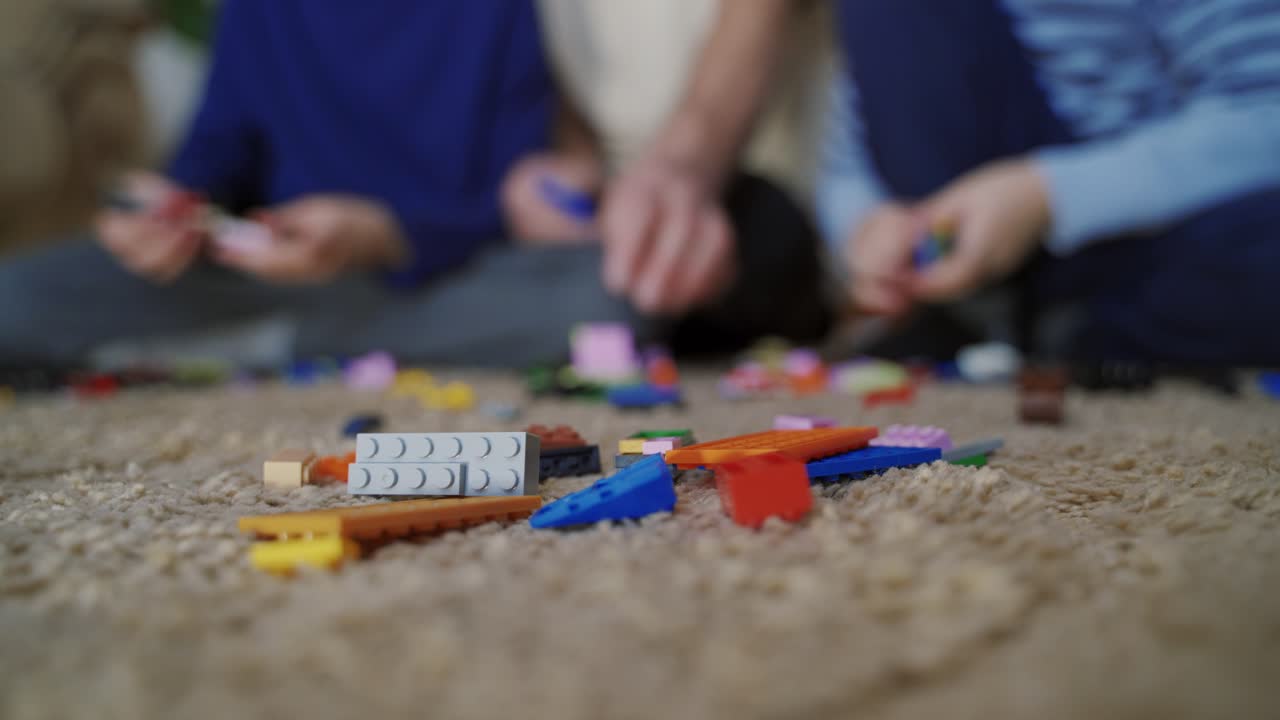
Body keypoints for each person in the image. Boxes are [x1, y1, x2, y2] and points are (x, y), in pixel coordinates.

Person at [0, 1, 826, 370]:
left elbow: (500, 200)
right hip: (269, 272)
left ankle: (294, 339)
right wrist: (166, 209)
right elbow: (216, 152)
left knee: (613, 295)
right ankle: (293, 335)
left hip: (439, 273)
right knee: (20, 299)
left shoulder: (502, 11)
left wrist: (383, 234)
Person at [818, 0, 1280, 364]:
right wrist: (869, 226)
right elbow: (849, 162)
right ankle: (1005, 324)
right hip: (949, 250)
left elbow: (1265, 115)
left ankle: (1058, 330)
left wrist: (1045, 195)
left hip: (1152, 233)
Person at [500, 0, 833, 353]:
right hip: (623, 205)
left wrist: (682, 167)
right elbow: (572, 82)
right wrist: (573, 168)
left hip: (762, 195)